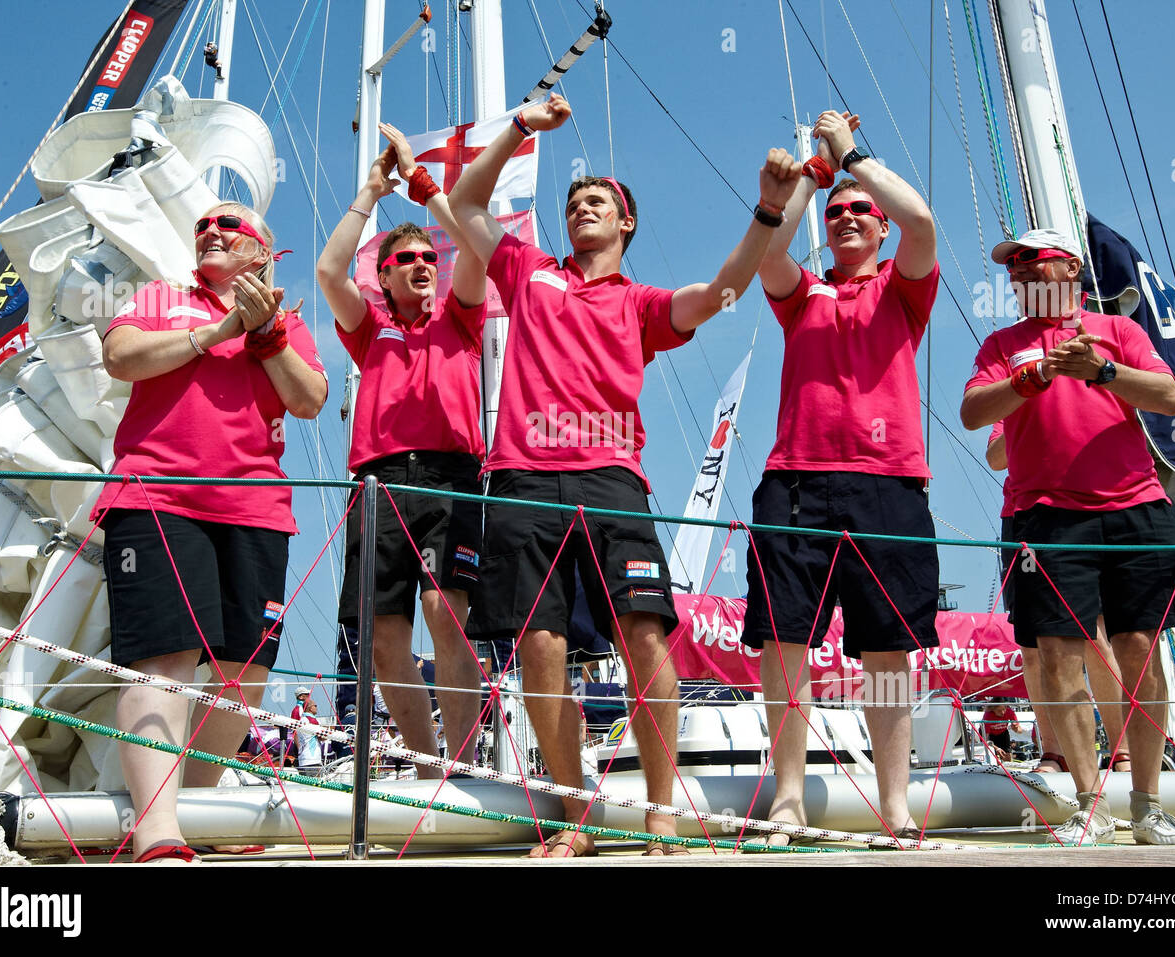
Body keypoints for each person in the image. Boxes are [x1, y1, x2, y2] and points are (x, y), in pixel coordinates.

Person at [447, 93, 800, 857]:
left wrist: (768, 214)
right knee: (539, 647)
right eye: (574, 201)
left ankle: (661, 811)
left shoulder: (640, 303)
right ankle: (574, 811)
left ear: (626, 222)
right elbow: (464, 198)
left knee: (645, 635)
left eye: (597, 201)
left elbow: (722, 292)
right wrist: (518, 129)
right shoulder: (526, 270)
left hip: (611, 476)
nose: (582, 209)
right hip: (521, 477)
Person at [97, 202, 328, 863]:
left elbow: (308, 400)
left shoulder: (288, 324)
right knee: (164, 656)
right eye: (202, 225)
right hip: (155, 496)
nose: (211, 231)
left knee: (241, 672)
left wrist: (268, 337)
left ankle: (191, 813)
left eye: (229, 225)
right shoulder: (161, 296)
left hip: (255, 511)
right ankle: (156, 830)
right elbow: (121, 357)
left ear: (262, 254)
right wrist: (223, 327)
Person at [742, 110, 941, 846]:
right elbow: (769, 250)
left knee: (888, 648)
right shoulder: (806, 293)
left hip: (889, 482)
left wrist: (853, 158)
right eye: (839, 214)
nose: (851, 217)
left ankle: (895, 804)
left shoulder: (902, 285)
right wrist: (811, 174)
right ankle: (787, 799)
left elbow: (921, 219)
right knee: (784, 640)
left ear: (879, 227)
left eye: (863, 211)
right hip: (796, 479)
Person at [961, 227, 1175, 846]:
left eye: (1034, 263)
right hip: (1047, 516)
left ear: (1070, 268)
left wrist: (1103, 370)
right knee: (1060, 657)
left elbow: (1169, 397)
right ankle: (1089, 807)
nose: (1021, 275)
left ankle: (1147, 806)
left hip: (1137, 509)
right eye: (1014, 270)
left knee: (1141, 653)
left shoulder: (1119, 333)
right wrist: (1024, 383)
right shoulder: (1002, 344)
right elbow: (973, 416)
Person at [316, 123, 487, 780]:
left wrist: (421, 183)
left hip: (452, 477)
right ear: (382, 277)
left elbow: (475, 243)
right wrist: (369, 192)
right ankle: (423, 766)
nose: (423, 264)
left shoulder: (459, 316)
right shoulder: (369, 326)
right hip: (381, 483)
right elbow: (330, 269)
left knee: (447, 615)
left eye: (427, 259)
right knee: (384, 644)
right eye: (406, 260)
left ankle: (466, 768)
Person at [988, 426, 1132, 774]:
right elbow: (996, 456)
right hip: (1023, 516)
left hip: (1081, 505)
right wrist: (1032, 400)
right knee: (1032, 644)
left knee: (1095, 635)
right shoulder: (1016, 392)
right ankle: (1054, 752)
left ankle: (1123, 750)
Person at [293, 695, 324, 776]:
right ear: (310, 708)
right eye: (315, 706)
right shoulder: (312, 720)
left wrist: (299, 749)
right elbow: (322, 737)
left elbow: (295, 735)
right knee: (315, 786)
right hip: (313, 760)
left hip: (302, 759)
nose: (316, 708)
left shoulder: (300, 720)